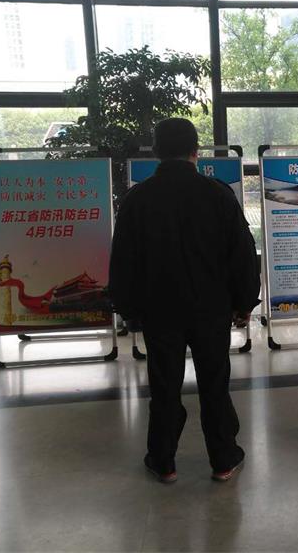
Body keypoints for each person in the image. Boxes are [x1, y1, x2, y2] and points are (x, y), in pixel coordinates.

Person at [109, 118, 260, 483]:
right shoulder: (218, 194)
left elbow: (123, 260)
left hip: (159, 310)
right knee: (214, 383)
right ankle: (223, 459)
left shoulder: (138, 199)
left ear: (156, 152)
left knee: (164, 385)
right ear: (196, 151)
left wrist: (128, 310)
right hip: (211, 309)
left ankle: (163, 461)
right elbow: (242, 254)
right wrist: (244, 303)